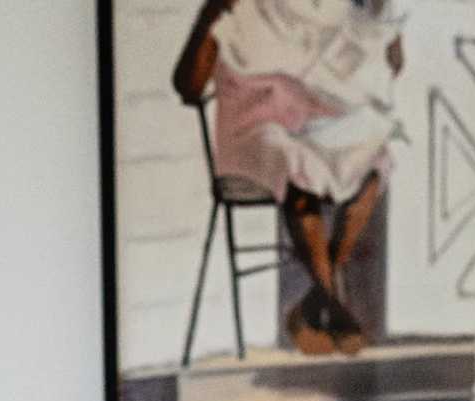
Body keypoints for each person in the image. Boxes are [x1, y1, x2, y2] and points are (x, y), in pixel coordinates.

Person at [175, 0, 409, 357]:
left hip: (307, 125)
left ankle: (314, 305)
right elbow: (188, 86)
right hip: (250, 133)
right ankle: (336, 308)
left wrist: (383, 25)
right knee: (293, 162)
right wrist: (214, 14)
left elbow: (390, 65)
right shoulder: (230, 5)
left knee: (375, 158)